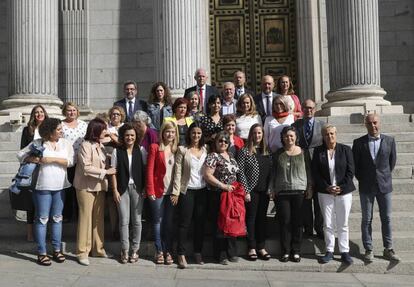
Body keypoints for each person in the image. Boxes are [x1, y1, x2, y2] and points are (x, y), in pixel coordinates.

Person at [17, 118, 74, 266]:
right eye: (59, 129)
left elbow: (71, 162)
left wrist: (51, 159)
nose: (62, 131)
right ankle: (41, 252)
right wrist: (34, 159)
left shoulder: (66, 143)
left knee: (57, 218)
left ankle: (56, 250)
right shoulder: (38, 143)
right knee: (42, 219)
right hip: (42, 186)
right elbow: (20, 155)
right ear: (50, 131)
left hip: (60, 186)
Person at [352, 114, 400, 262]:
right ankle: (368, 249)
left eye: (375, 123)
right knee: (367, 219)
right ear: (365, 125)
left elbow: (391, 163)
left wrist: (382, 177)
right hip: (366, 186)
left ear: (380, 123)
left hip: (384, 185)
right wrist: (365, 179)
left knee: (386, 218)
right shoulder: (359, 143)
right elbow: (355, 166)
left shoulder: (390, 141)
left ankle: (388, 248)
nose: (373, 126)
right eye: (369, 123)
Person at [73, 118, 117, 266]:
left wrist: (111, 138)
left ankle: (98, 249)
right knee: (85, 219)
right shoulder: (86, 145)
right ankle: (82, 252)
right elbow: (86, 167)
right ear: (96, 130)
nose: (106, 131)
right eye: (103, 129)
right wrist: (105, 172)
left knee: (98, 219)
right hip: (85, 186)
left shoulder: (100, 145)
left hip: (99, 186)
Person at [312, 125, 355, 265]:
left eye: (332, 134)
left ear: (336, 134)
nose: (329, 136)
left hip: (344, 193)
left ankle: (344, 251)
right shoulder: (318, 151)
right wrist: (327, 187)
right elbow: (316, 173)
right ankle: (329, 250)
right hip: (325, 192)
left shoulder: (346, 149)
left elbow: (351, 171)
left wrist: (340, 187)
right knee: (328, 223)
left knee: (343, 223)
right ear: (323, 136)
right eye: (326, 134)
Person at [271, 126, 312, 263]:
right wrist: (272, 188)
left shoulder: (303, 152)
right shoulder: (278, 154)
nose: (289, 138)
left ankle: (296, 251)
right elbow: (273, 173)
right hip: (282, 192)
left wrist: (309, 187)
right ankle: (285, 251)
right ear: (282, 138)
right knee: (285, 222)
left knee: (298, 222)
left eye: (291, 136)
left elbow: (308, 171)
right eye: (286, 136)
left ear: (296, 137)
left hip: (300, 191)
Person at [172, 122, 209, 268]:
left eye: (199, 133)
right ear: (189, 134)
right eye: (194, 133)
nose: (196, 136)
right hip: (187, 190)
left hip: (203, 190)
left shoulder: (206, 149)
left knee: (200, 223)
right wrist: (176, 192)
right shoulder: (182, 150)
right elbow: (178, 172)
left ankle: (197, 252)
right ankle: (181, 254)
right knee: (184, 223)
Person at [203, 131, 243, 265]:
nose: (223, 143)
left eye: (225, 141)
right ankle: (221, 254)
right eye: (220, 140)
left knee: (231, 222)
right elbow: (207, 175)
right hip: (218, 194)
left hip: (232, 195)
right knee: (220, 225)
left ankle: (232, 252)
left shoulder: (231, 156)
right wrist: (223, 186)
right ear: (215, 142)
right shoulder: (213, 156)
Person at [111, 123, 145, 264]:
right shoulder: (116, 151)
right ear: (122, 137)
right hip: (122, 189)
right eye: (127, 135)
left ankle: (135, 250)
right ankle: (125, 249)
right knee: (124, 220)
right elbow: (113, 172)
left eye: (132, 135)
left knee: (137, 221)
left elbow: (144, 170)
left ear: (136, 136)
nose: (129, 137)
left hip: (137, 188)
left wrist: (145, 188)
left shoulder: (141, 150)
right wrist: (114, 190)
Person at [237, 124, 272, 261]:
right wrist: (246, 190)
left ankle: (261, 247)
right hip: (251, 191)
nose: (257, 136)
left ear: (262, 135)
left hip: (264, 191)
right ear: (250, 134)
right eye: (254, 133)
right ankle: (251, 247)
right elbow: (241, 172)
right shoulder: (245, 151)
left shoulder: (267, 151)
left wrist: (270, 188)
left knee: (261, 219)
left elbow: (271, 172)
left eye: (259, 133)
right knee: (251, 219)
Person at [146, 121, 178, 265]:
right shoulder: (155, 147)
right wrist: (150, 190)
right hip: (158, 190)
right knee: (158, 221)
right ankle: (159, 250)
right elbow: (150, 171)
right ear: (162, 133)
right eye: (167, 131)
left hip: (172, 191)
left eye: (172, 132)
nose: (170, 134)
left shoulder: (177, 149)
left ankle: (168, 250)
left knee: (169, 223)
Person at [292, 99, 324, 238]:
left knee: (318, 199)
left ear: (315, 109)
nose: (308, 110)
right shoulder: (295, 125)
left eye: (310, 108)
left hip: (318, 167)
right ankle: (308, 228)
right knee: (305, 200)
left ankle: (320, 227)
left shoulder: (322, 126)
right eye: (305, 108)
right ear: (302, 109)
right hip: (301, 166)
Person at [19, 105, 49, 242]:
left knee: (45, 200)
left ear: (45, 114)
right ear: (33, 115)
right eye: (36, 112)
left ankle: (44, 232)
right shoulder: (27, 130)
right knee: (31, 202)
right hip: (32, 168)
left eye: (41, 112)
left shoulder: (50, 128)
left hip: (47, 168)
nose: (39, 114)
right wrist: (32, 159)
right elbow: (22, 151)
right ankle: (30, 233)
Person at [61, 102, 88, 222]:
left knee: (79, 188)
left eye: (74, 110)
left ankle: (79, 214)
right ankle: (67, 214)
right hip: (67, 161)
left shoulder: (83, 124)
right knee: (68, 188)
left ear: (77, 112)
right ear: (64, 112)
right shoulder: (61, 125)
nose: (71, 113)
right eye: (69, 110)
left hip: (81, 161)